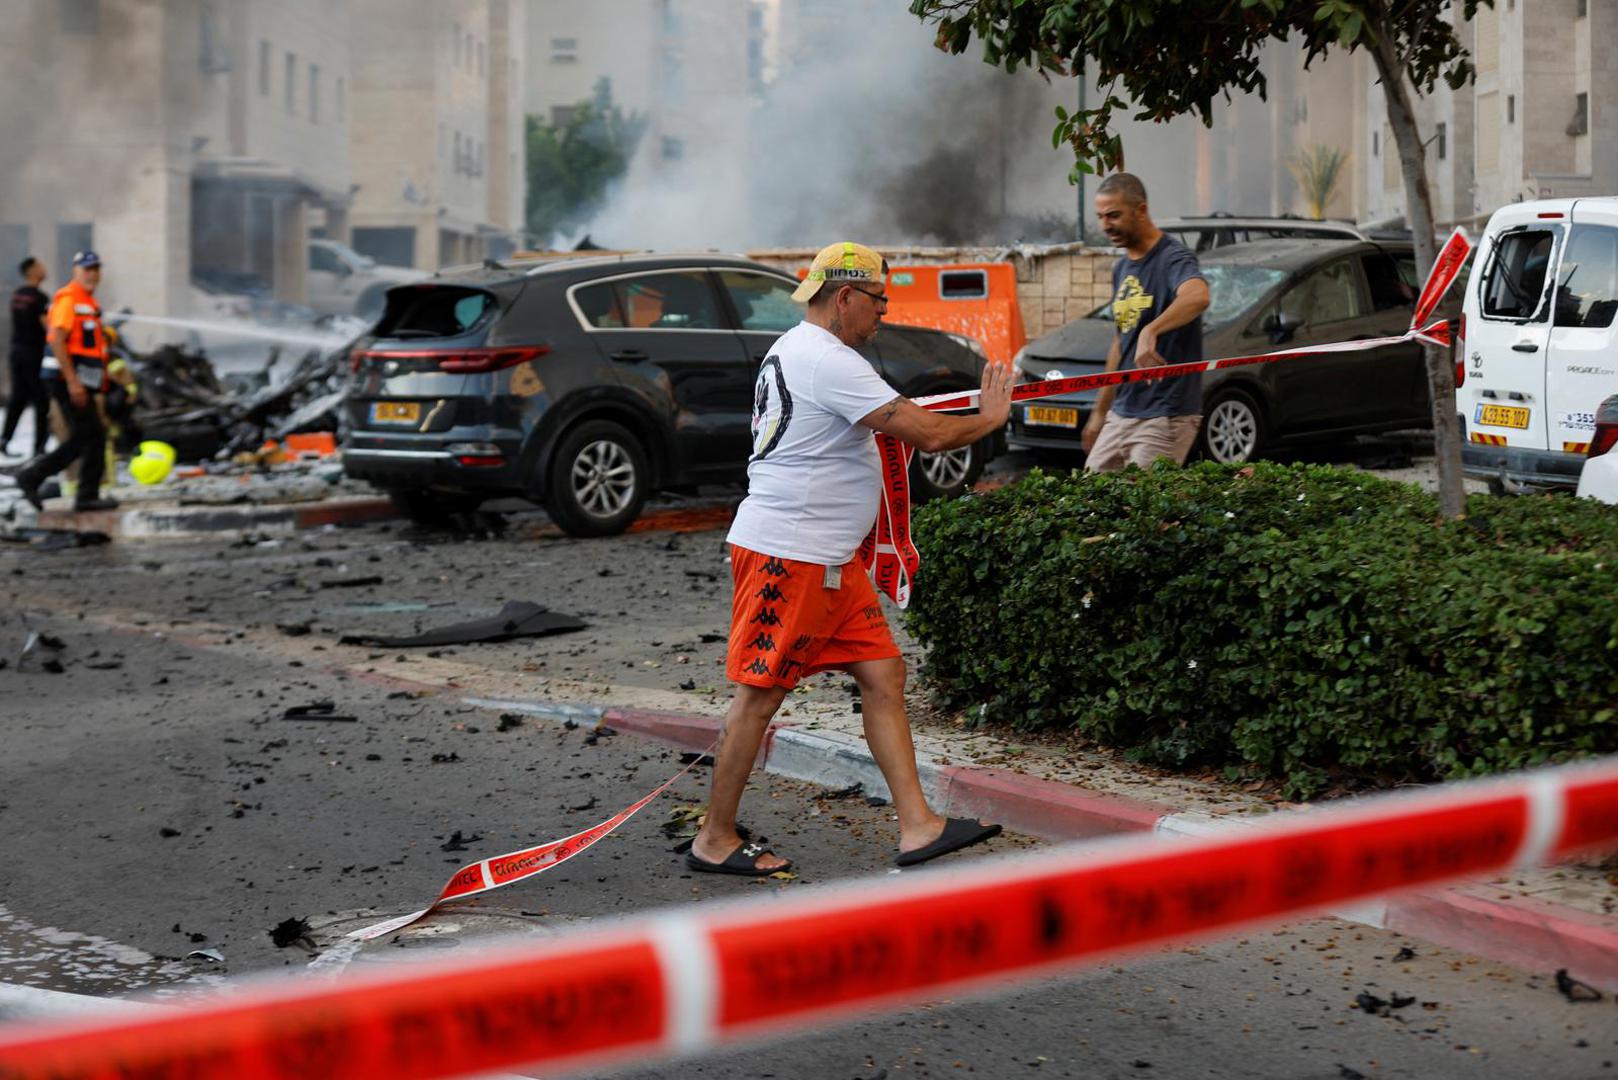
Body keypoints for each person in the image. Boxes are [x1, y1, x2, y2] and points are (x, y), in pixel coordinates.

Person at [688, 241, 1013, 876]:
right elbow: (929, 432)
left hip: (831, 561)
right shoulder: (825, 359)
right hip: (791, 556)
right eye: (878, 300)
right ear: (844, 297)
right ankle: (714, 839)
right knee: (759, 697)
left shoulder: (798, 349)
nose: (884, 313)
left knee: (884, 676)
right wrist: (991, 415)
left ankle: (920, 827)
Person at [1081, 173, 1212, 472]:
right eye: (1100, 217)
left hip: (1166, 414)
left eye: (1114, 215)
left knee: (1141, 509)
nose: (1105, 226)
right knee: (1091, 502)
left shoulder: (1173, 258)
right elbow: (1121, 341)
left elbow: (1198, 296)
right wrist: (1100, 411)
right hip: (1122, 412)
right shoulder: (1122, 267)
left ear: (1141, 210)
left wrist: (1151, 330)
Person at [9, 250, 118, 512]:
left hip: (77, 380)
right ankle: (79, 493)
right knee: (93, 436)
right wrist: (73, 383)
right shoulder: (69, 299)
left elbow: (83, 341)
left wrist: (104, 337)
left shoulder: (86, 302)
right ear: (76, 271)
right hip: (65, 379)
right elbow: (57, 338)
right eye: (87, 269)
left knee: (85, 437)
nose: (92, 273)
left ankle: (40, 480)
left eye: (95, 269)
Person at [2, 257, 50, 458]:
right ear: (31, 271)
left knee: (18, 398)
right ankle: (39, 448)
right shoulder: (40, 298)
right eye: (39, 266)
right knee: (41, 400)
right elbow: (48, 327)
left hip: (16, 352)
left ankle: (5, 440)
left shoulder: (17, 295)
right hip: (33, 354)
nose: (43, 268)